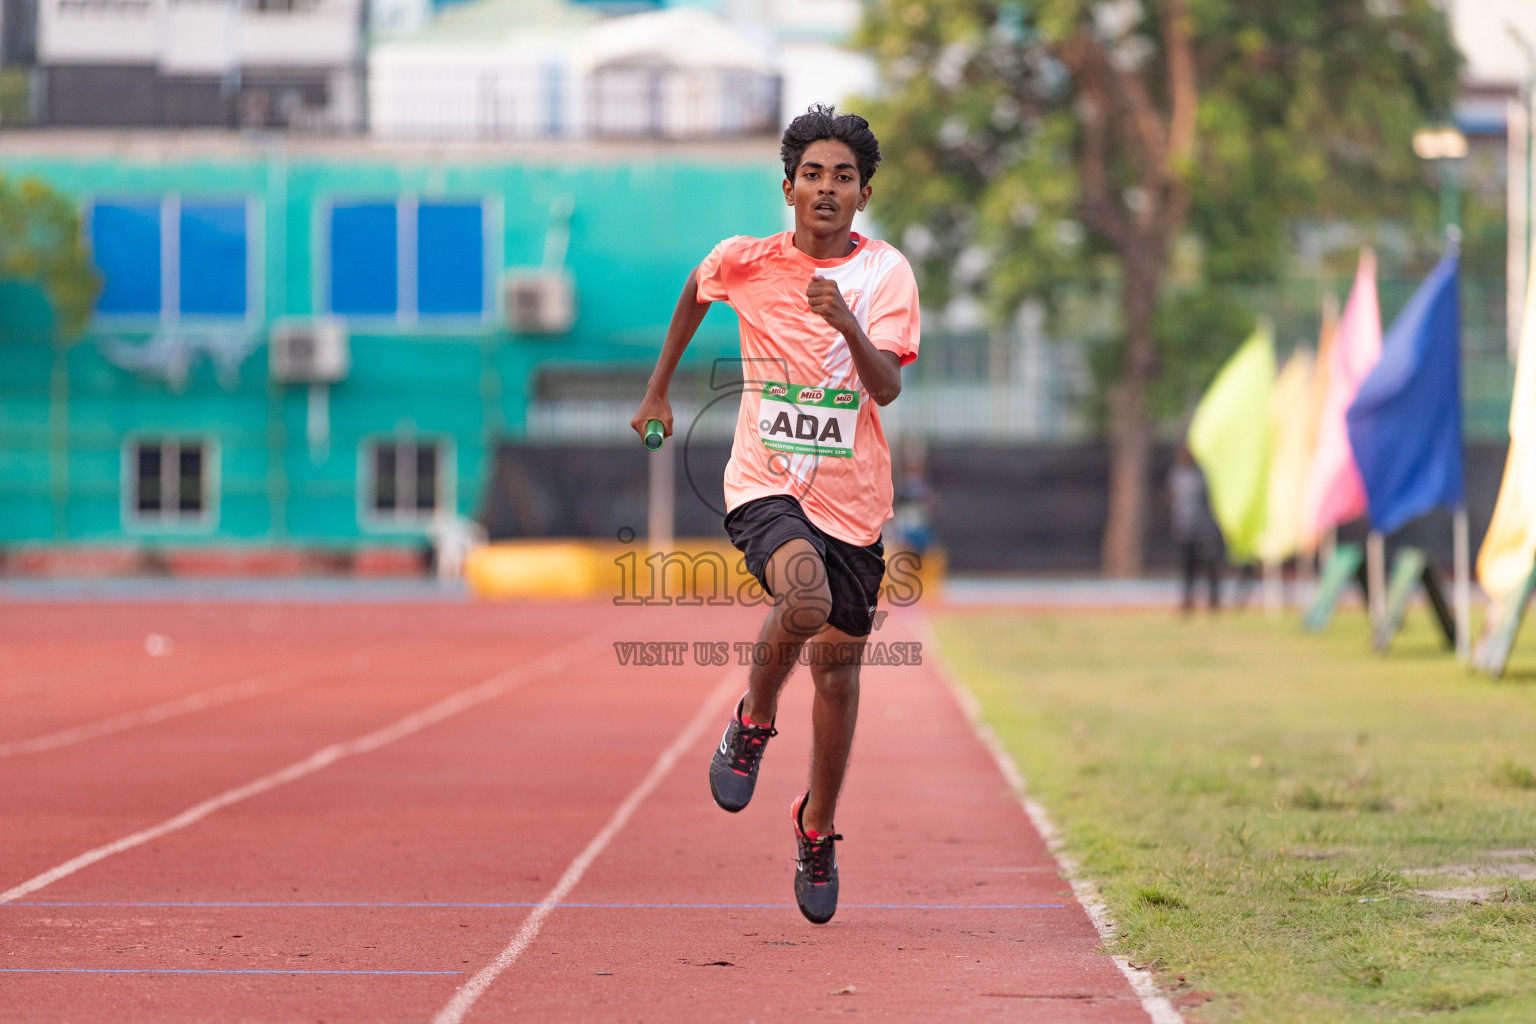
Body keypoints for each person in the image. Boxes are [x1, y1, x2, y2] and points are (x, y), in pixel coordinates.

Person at [630, 104, 920, 924]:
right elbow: (696, 289)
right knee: (804, 601)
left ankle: (817, 826)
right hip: (765, 481)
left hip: (854, 502)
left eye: (845, 178)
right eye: (814, 175)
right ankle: (754, 720)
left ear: (863, 195)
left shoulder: (885, 275)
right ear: (788, 187)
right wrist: (658, 388)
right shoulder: (746, 260)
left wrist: (847, 323)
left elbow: (888, 387)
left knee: (837, 671)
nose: (827, 189)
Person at [1169, 445, 1222, 614]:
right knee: (1187, 569)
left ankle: (1213, 601)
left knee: (1210, 567)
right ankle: (1187, 601)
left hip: (1204, 531)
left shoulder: (1204, 476)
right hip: (1185, 530)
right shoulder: (1176, 475)